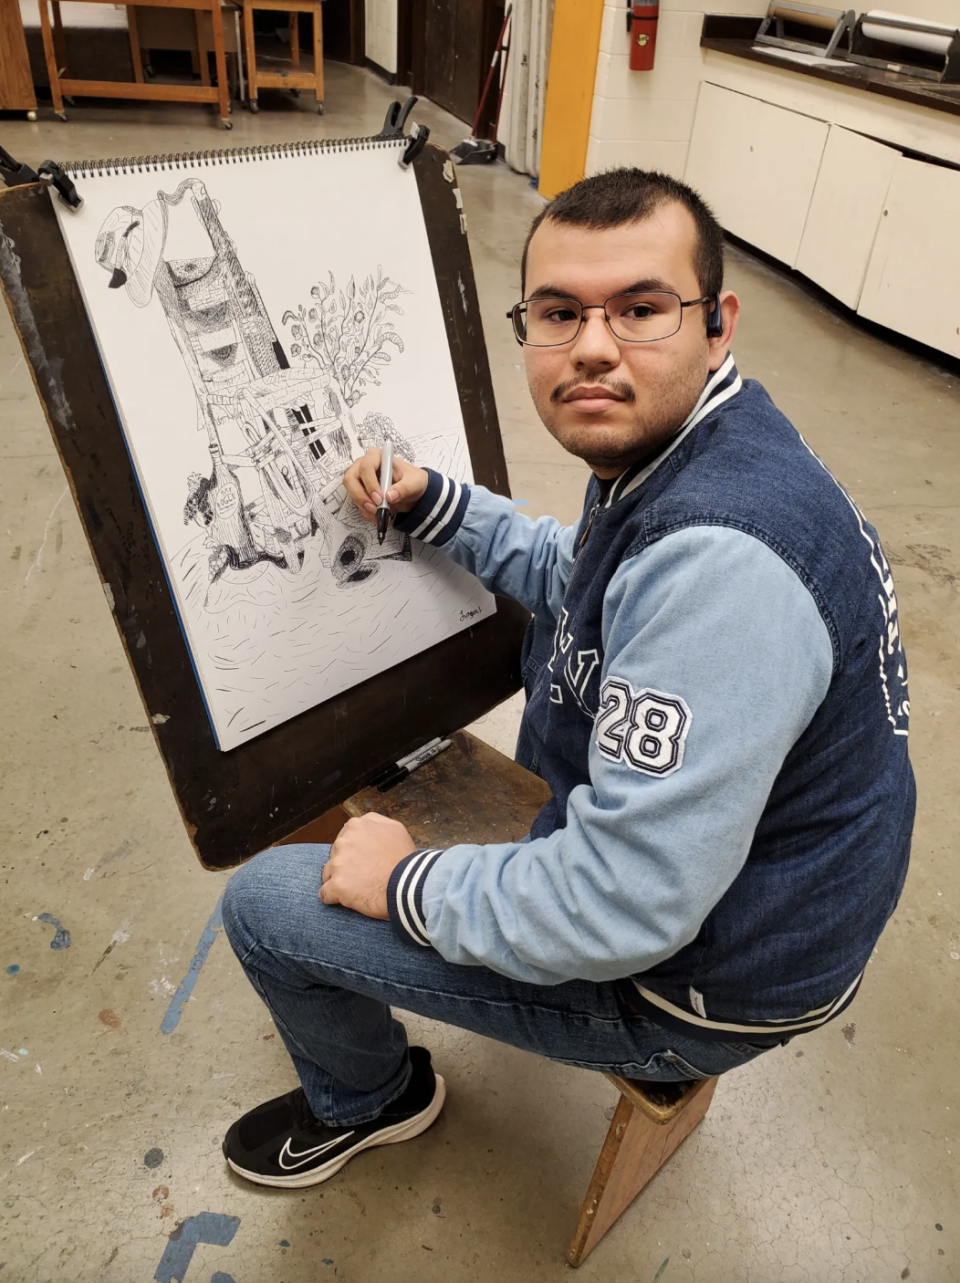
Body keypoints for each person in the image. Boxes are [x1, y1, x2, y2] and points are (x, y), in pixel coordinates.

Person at [220, 168, 915, 1190]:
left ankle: (370, 1097)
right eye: (560, 312)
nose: (593, 345)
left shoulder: (721, 562)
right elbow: (584, 578)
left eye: (640, 308)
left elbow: (622, 905)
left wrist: (405, 880)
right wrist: (439, 502)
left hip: (704, 980)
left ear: (717, 323)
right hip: (757, 893)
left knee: (267, 902)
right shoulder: (696, 445)